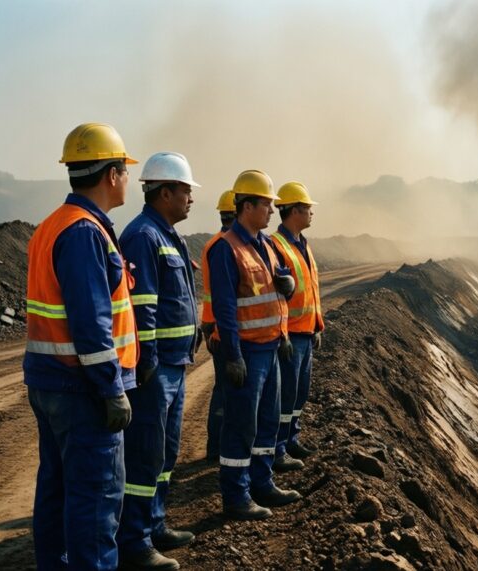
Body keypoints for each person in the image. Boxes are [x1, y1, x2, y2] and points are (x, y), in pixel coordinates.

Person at [24, 123, 138, 570]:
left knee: (56, 492)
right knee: (94, 503)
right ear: (111, 175)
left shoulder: (51, 227)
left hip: (52, 383)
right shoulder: (85, 232)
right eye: (124, 170)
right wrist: (111, 388)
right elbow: (92, 326)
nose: (127, 179)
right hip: (83, 390)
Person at [116, 152, 201, 570]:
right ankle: (134, 541)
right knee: (144, 455)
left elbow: (179, 297)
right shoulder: (142, 237)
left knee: (165, 454)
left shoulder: (170, 235)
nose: (191, 199)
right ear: (164, 192)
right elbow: (143, 305)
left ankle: (155, 522)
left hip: (175, 364)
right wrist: (146, 361)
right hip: (156, 369)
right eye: (186, 191)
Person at [208, 170, 300, 520]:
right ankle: (236, 495)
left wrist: (285, 328)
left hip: (270, 349)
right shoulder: (225, 248)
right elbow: (226, 307)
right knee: (240, 425)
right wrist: (232, 355)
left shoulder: (264, 245)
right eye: (266, 205)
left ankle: (263, 482)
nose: (272, 212)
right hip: (246, 352)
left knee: (266, 421)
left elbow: (276, 294)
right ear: (247, 206)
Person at [270, 182, 325, 472]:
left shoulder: (302, 244)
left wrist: (316, 327)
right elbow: (276, 297)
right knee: (286, 393)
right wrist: (282, 333)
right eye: (307, 208)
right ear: (293, 211)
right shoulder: (276, 246)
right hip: (290, 335)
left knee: (299, 392)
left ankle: (291, 438)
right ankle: (278, 448)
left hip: (305, 332)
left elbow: (310, 291)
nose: (311, 213)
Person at [202, 189, 236, 461]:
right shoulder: (226, 247)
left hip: (215, 329)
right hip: (225, 332)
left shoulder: (214, 243)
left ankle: (217, 446)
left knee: (223, 389)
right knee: (226, 390)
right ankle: (217, 448)